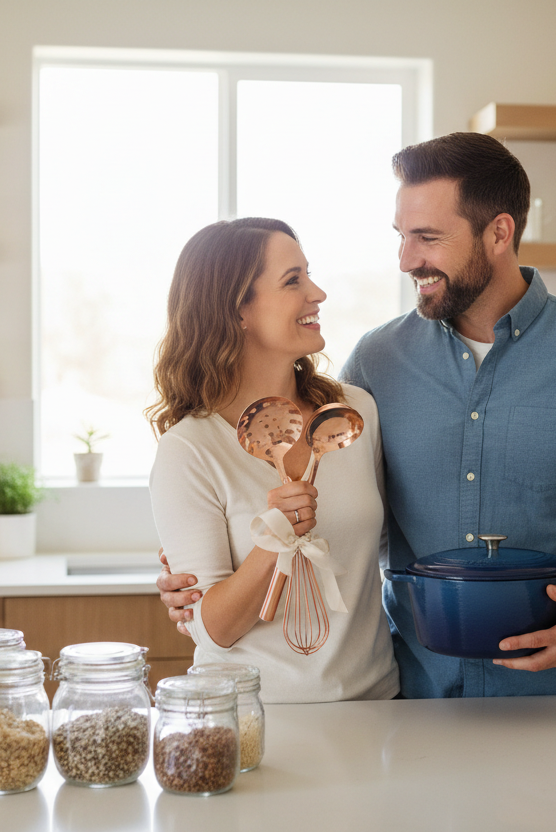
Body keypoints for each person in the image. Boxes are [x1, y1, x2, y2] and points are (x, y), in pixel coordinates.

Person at [160, 134, 556, 699]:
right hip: (409, 703)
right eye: (401, 237)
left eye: (428, 238)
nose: (406, 260)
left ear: (499, 232)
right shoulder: (375, 364)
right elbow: (330, 507)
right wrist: (203, 575)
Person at [146, 217, 398, 703]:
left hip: (377, 707)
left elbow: (385, 544)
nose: (317, 292)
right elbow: (212, 629)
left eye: (309, 274)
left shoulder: (351, 414)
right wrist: (275, 537)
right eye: (293, 281)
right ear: (236, 310)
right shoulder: (190, 449)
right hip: (251, 716)